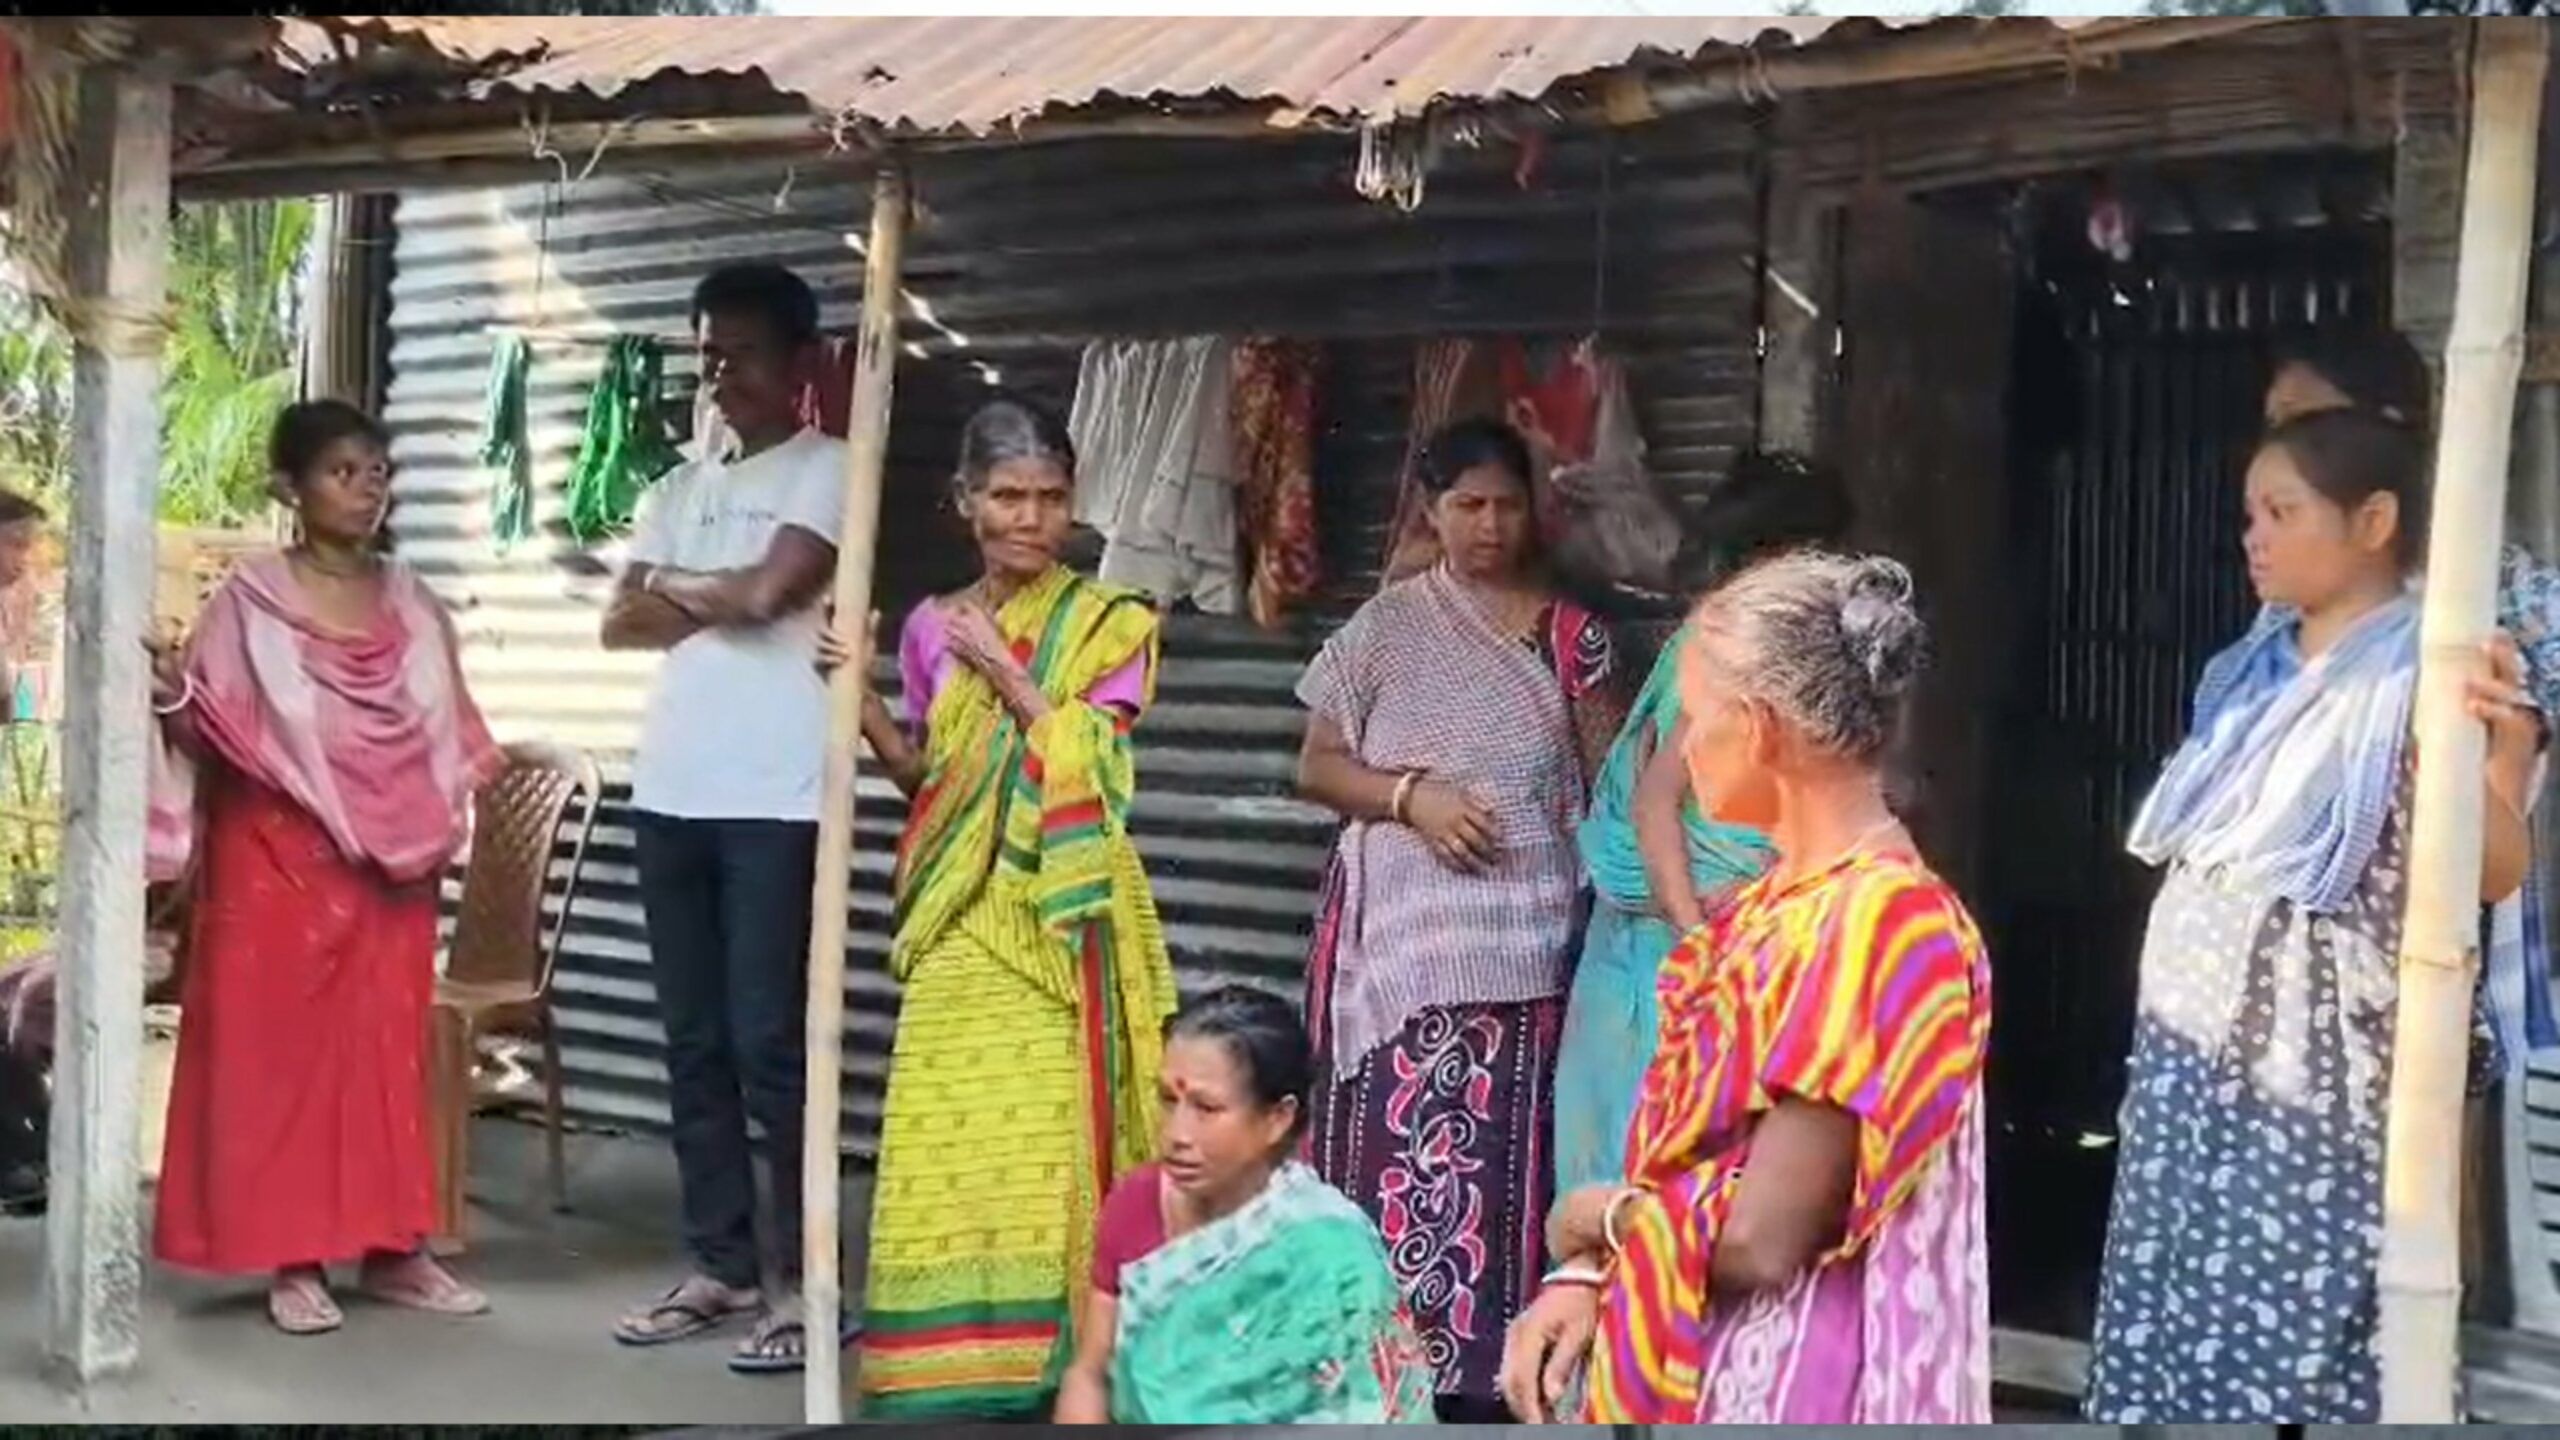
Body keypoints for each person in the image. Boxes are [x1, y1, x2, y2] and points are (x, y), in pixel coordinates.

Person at [2083, 410, 2539, 1421]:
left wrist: (2467, 746)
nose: (2253, 535)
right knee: (2175, 1279)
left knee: (2304, 1300)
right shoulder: (2245, 670)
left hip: (2314, 1057)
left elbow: (2497, 870)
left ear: (2373, 519)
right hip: (2193, 1058)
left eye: (2280, 512)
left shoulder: (2428, 666)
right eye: (2249, 513)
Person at [1499, 550, 1993, 1425]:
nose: (1684, 748)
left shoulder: (1880, 922)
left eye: (1695, 719)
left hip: (1807, 1381)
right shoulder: (1776, 905)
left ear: (1760, 729)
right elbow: (1701, 1170)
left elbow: (1765, 1238)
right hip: (1725, 1365)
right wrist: (1586, 1274)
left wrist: (1591, 1222)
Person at [830, 397, 1179, 1419]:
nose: (1029, 518)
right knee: (947, 1151)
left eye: (1051, 498)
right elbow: (929, 778)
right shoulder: (933, 626)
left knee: (1048, 1155)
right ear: (964, 502)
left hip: (1058, 916)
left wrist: (1003, 667)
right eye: (1006, 497)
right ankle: (948, 1374)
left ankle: (1057, 1369)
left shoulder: (1112, 625)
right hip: (957, 921)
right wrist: (855, 691)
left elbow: (1093, 765)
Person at [1293, 417, 1625, 1421]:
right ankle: (1376, 1367)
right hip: (1394, 950)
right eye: (1466, 505)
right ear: (1431, 513)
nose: (1488, 525)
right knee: (1383, 1158)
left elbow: (1612, 783)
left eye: (1507, 504)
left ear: (1535, 509)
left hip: (1525, 959)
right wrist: (1411, 799)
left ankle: (1492, 1380)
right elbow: (1314, 766)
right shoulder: (1387, 627)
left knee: (1496, 1172)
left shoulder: (1574, 636)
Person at [147, 400, 502, 1335]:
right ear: (290, 490)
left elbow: (444, 731)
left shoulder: (412, 600)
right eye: (344, 471)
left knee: (385, 1058)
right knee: (281, 1063)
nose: (368, 487)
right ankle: (293, 1260)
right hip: (274, 862)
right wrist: (170, 689)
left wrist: (411, 811)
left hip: (393, 871)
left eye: (378, 471)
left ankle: (395, 1251)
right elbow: (211, 729)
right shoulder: (248, 602)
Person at [604, 262, 847, 1372]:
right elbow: (619, 624)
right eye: (706, 349)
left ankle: (804, 1280)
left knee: (768, 1044)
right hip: (669, 790)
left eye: (741, 350)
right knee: (693, 1040)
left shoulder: (831, 470)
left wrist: (688, 589)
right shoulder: (671, 485)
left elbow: (770, 596)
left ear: (799, 364)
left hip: (773, 797)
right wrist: (721, 586)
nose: (719, 369)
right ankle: (721, 1263)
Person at [1552, 451, 1851, 1194]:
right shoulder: (1734, 650)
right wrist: (1699, 936)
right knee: (1656, 1174)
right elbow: (1657, 801)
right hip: (1667, 954)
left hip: (1667, 943)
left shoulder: (1752, 646)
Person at [1052, 985, 1433, 1425]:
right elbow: (1093, 1373)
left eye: (1206, 1108)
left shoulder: (1331, 1254)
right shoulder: (1135, 1204)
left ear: (1278, 1119)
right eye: (1169, 1100)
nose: (1178, 1133)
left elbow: (1375, 1410)